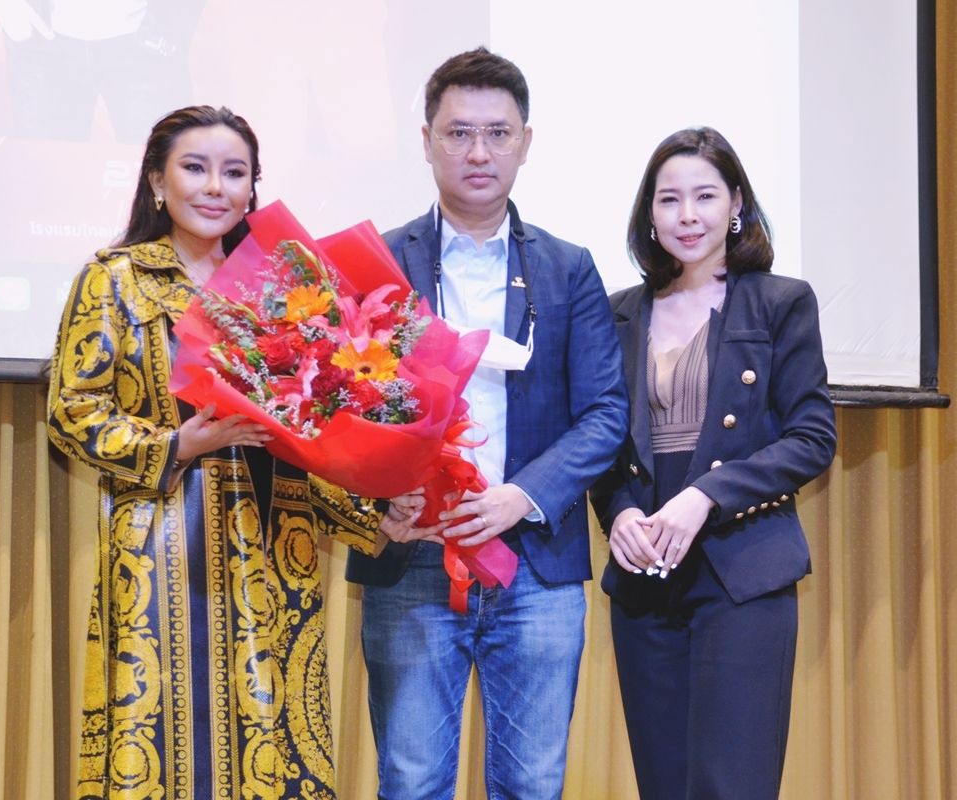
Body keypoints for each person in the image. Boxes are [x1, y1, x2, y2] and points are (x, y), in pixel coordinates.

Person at [46, 105, 379, 800]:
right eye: (195, 168)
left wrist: (377, 511)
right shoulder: (116, 278)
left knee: (277, 735)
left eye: (234, 173)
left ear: (253, 187)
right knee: (164, 736)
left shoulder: (284, 289)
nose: (215, 187)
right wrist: (178, 444)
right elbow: (72, 413)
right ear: (157, 181)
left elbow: (315, 435)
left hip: (276, 542)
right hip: (164, 545)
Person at [345, 48, 629, 799]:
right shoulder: (378, 262)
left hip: (534, 563)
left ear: (525, 143)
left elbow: (606, 411)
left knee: (532, 784)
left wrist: (519, 497)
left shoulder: (569, 268)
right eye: (459, 132)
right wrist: (380, 498)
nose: (478, 152)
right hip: (412, 558)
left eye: (498, 133)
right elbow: (338, 406)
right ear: (427, 141)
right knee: (411, 781)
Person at [589, 127, 838, 799]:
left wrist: (705, 496)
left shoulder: (781, 302)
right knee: (663, 785)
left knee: (733, 785)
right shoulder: (617, 314)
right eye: (669, 199)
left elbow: (813, 436)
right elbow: (601, 442)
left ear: (736, 204)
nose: (688, 215)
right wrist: (619, 514)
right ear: (650, 212)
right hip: (645, 577)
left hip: (742, 574)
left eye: (705, 196)